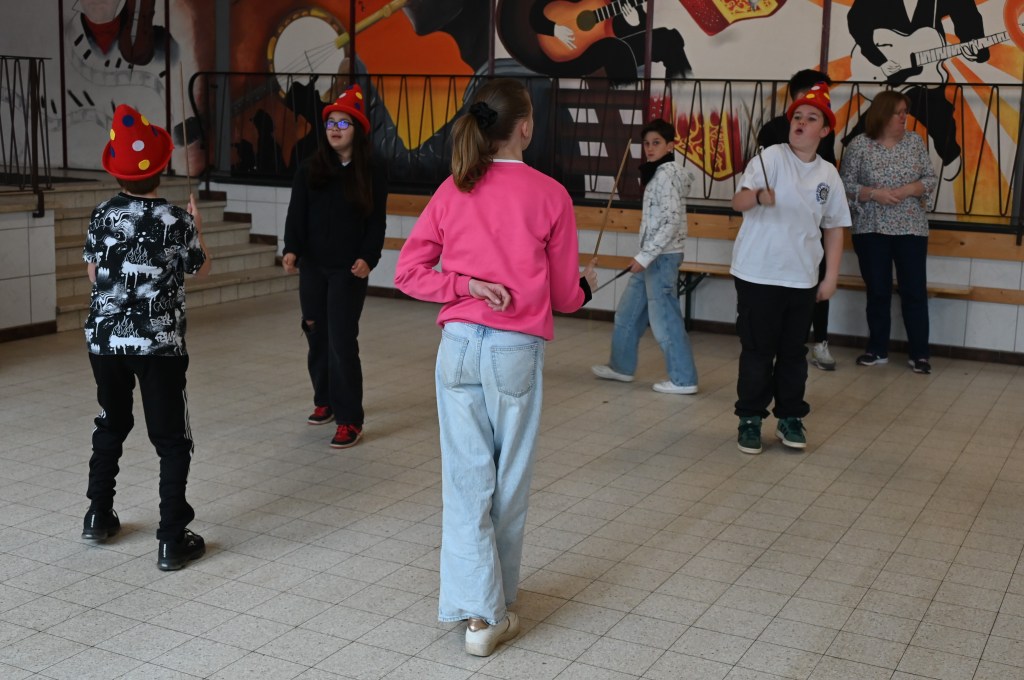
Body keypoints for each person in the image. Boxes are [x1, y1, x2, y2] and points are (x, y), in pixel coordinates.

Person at [394, 79, 597, 657]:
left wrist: (463, 285)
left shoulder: (453, 187)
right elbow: (565, 295)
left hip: (458, 345)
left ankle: (479, 606)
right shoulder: (551, 195)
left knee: (465, 483)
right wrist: (583, 289)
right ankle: (490, 614)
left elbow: (408, 273)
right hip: (514, 351)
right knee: (508, 484)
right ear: (525, 127)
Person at [82, 103, 211, 571]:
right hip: (159, 345)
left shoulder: (101, 214)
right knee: (171, 439)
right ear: (162, 168)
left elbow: (94, 275)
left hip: (105, 342)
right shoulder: (176, 219)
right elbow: (198, 268)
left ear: (115, 173)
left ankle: (98, 515)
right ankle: (172, 538)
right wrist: (197, 229)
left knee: (111, 423)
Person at [730, 82, 851, 455]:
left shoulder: (828, 174)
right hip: (758, 273)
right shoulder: (769, 158)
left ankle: (790, 417)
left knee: (793, 353)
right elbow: (738, 201)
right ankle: (750, 419)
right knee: (757, 351)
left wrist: (830, 276)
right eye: (797, 116)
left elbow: (834, 227)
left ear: (825, 130)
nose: (801, 123)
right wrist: (757, 197)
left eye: (811, 118)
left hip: (801, 278)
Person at [282, 85, 388, 449]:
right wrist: (291, 249)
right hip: (313, 266)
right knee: (316, 332)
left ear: (357, 130)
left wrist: (368, 257)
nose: (335, 129)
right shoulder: (310, 168)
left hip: (348, 270)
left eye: (344, 123)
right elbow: (296, 214)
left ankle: (349, 419)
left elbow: (376, 222)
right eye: (331, 123)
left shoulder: (371, 171)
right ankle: (324, 399)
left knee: (341, 340)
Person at [592, 118, 698, 394]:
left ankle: (684, 380)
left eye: (657, 143)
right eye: (647, 143)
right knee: (628, 313)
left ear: (670, 146)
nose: (650, 148)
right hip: (651, 256)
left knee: (665, 320)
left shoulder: (666, 175)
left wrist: (645, 256)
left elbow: (671, 222)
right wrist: (644, 255)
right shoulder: (657, 173)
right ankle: (621, 367)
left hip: (662, 258)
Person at [839, 90, 937, 374]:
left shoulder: (915, 142)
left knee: (914, 291)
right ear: (883, 114)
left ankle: (919, 354)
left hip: (911, 228)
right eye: (899, 112)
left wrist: (910, 189)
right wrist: (873, 194)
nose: (905, 117)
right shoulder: (859, 145)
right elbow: (844, 184)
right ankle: (877, 349)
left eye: (906, 111)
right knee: (878, 291)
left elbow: (930, 178)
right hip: (870, 228)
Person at [846, 0, 990, 179]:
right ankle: (851, 155)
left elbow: (965, 12)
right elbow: (857, 19)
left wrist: (974, 44)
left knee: (938, 113)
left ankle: (949, 153)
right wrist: (877, 58)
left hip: (927, 70)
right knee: (881, 112)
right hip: (888, 65)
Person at [758, 69, 838, 372]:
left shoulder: (824, 130)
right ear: (799, 96)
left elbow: (826, 171)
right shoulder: (772, 131)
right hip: (773, 227)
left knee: (816, 282)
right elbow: (757, 182)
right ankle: (775, 343)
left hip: (811, 224)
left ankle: (820, 341)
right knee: (776, 293)